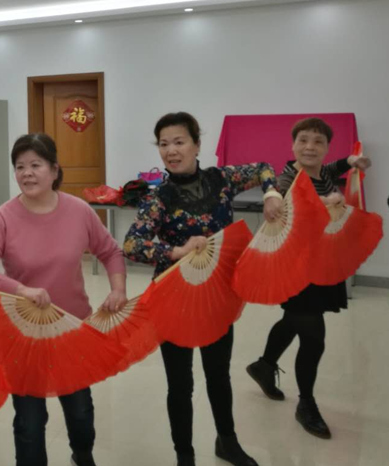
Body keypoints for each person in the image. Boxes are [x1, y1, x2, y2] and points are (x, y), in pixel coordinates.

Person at [123, 112, 282, 466]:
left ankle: (227, 442)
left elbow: (263, 168)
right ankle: (185, 455)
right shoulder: (158, 198)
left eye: (179, 142)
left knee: (218, 375)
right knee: (180, 385)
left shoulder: (221, 180)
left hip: (216, 296)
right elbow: (131, 245)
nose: (171, 151)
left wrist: (271, 192)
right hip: (174, 299)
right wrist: (175, 251)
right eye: (164, 144)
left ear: (197, 144)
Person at [0, 133, 128, 466]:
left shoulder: (79, 211)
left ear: (54, 170)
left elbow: (110, 251)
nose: (27, 173)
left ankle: (81, 455)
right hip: (24, 335)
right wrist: (21, 290)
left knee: (80, 413)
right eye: (20, 166)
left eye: (35, 165)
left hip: (72, 330)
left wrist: (118, 289)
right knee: (29, 422)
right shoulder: (4, 217)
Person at [246, 117, 372, 439]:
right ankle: (307, 404)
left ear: (327, 147)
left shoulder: (324, 173)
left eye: (318, 141)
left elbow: (335, 167)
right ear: (293, 146)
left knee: (293, 320)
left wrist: (352, 161)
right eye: (303, 140)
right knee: (314, 337)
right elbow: (280, 197)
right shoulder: (289, 179)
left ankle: (263, 366)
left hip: (323, 263)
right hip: (298, 269)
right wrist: (279, 199)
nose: (310, 147)